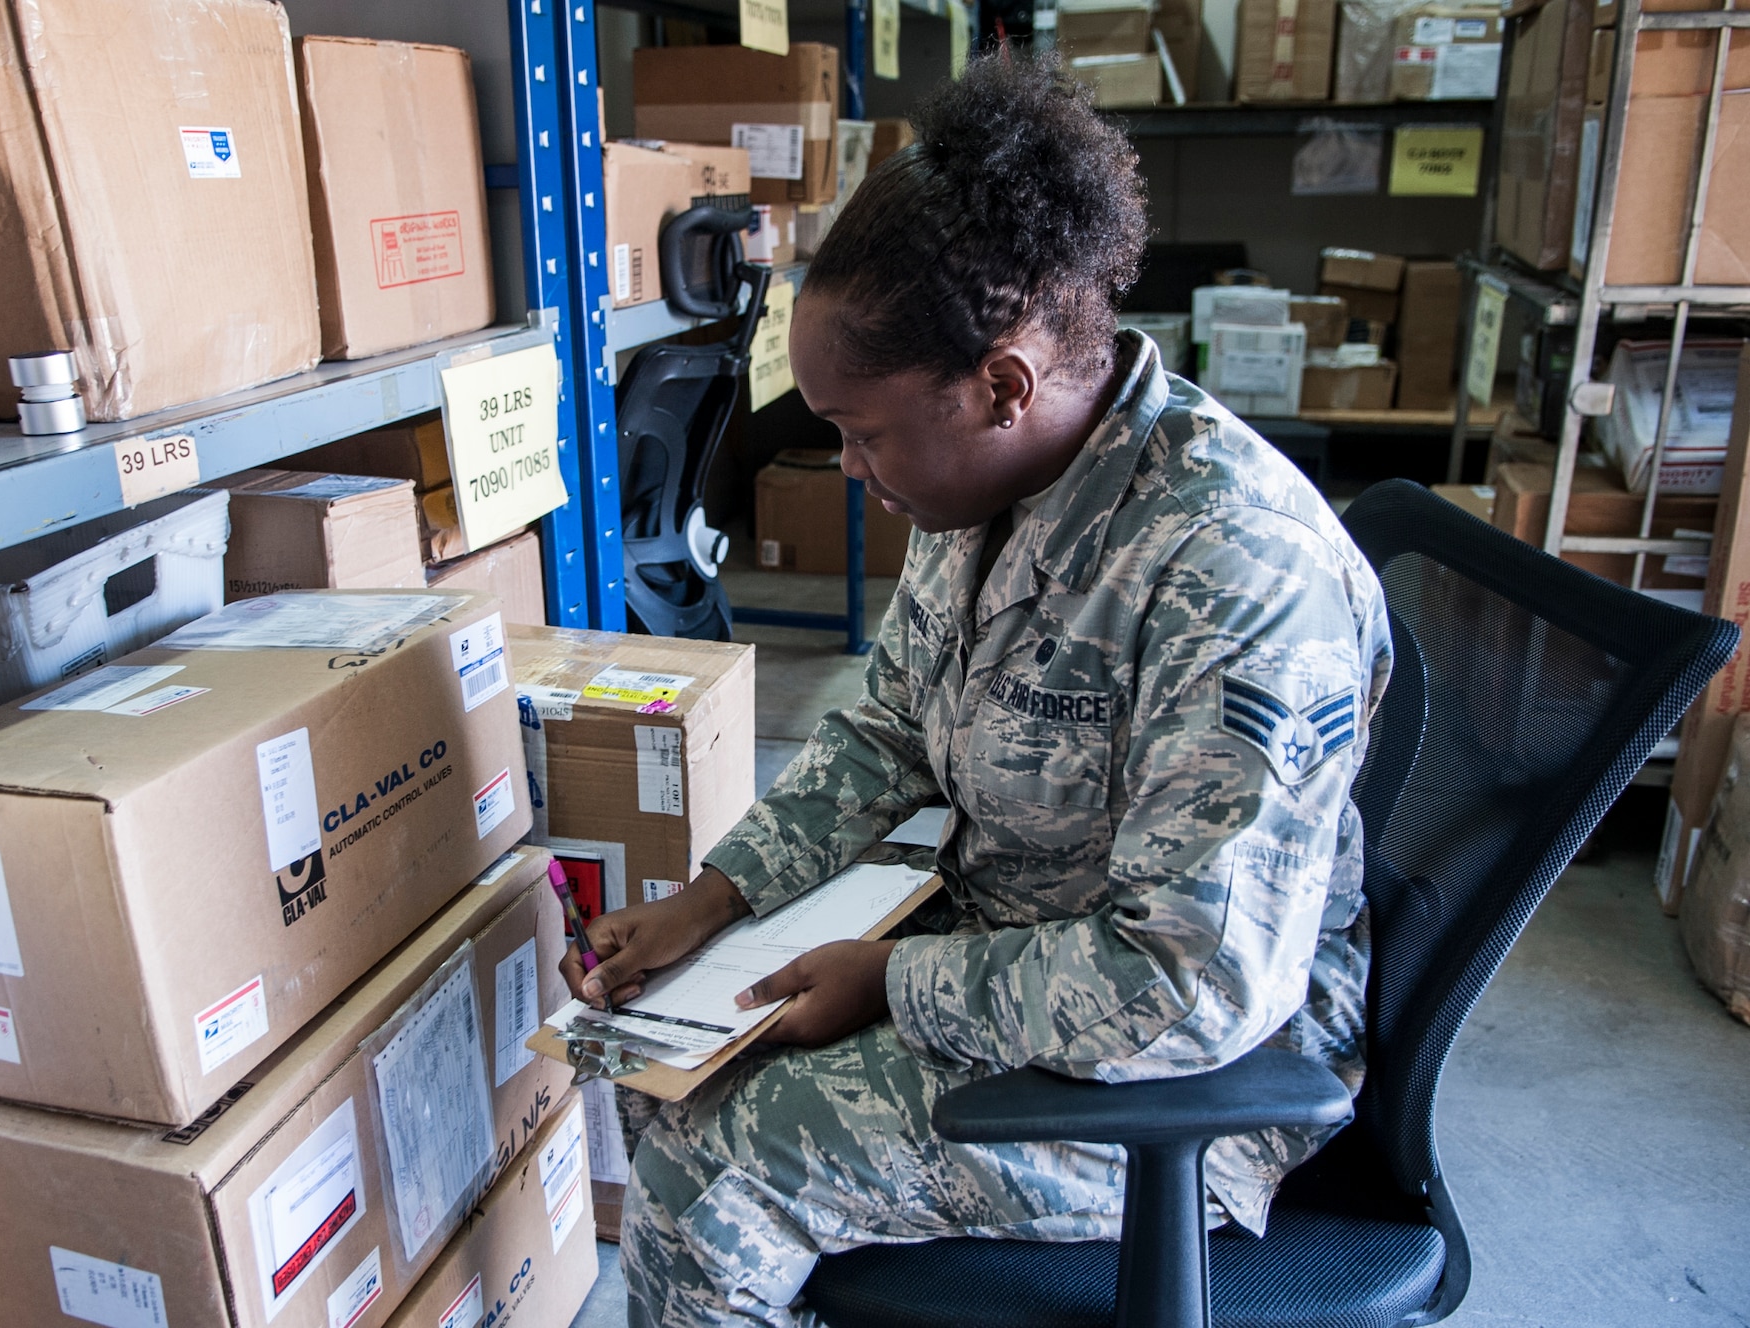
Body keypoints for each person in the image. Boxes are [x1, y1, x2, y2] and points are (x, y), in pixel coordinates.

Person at [560, 54, 1393, 1328]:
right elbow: (891, 725)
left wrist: (892, 986)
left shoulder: (1233, 575)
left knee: (710, 1156)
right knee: (662, 1067)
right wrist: (712, 901)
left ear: (1002, 384)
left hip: (1178, 1077)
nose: (844, 467)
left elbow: (1190, 986)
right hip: (1012, 948)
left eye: (866, 432)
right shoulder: (982, 487)